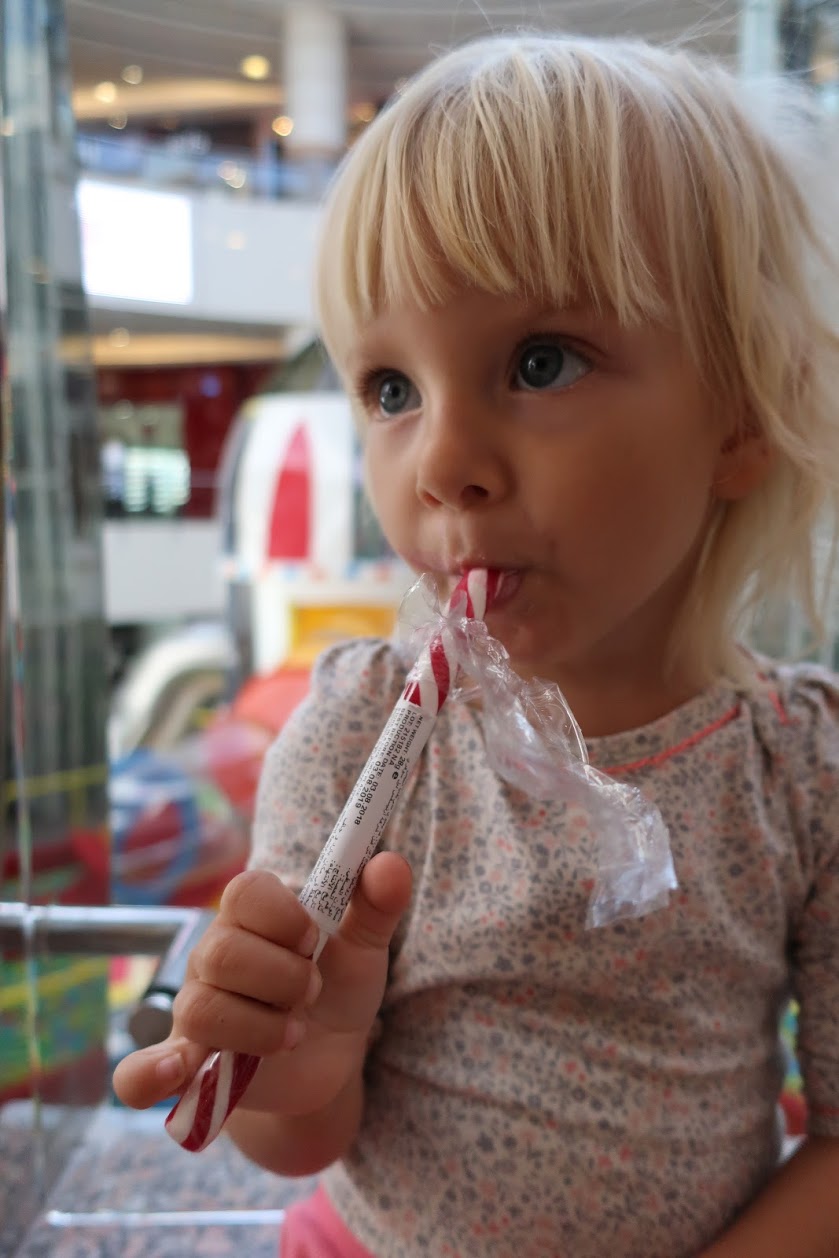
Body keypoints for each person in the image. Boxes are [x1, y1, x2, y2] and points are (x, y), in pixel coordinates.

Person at [113, 30, 839, 1258]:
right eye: (390, 390)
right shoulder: (358, 736)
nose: (442, 462)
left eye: (539, 362)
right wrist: (295, 1054)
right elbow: (297, 1136)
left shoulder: (798, 771)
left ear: (737, 413)